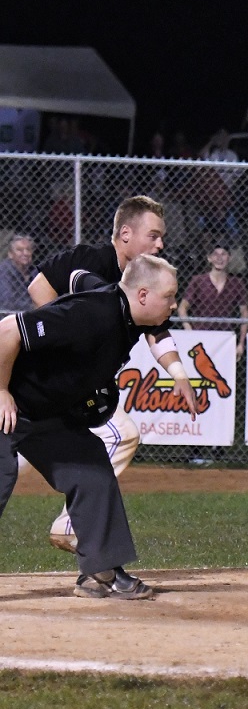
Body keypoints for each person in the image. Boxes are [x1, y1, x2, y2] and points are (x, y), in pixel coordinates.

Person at [0, 255, 181, 600]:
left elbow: (80, 277)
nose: (174, 304)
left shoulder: (129, 319)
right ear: (142, 295)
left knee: (90, 469)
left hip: (44, 412)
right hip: (6, 400)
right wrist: (1, 390)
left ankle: (102, 571)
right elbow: (8, 330)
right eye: (169, 296)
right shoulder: (93, 313)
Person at [28, 194, 194, 552]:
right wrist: (68, 329)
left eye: (161, 237)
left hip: (81, 387)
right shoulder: (88, 261)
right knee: (115, 435)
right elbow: (38, 286)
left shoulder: (148, 282)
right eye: (153, 235)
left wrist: (179, 374)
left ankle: (73, 528)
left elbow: (158, 331)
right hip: (49, 380)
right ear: (125, 234)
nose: (160, 243)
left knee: (113, 435)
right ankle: (72, 527)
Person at [177, 242, 248, 359]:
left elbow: (244, 313)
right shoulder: (198, 281)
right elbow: (182, 308)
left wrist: (241, 343)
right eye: (215, 254)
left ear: (229, 258)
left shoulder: (237, 283)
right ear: (209, 258)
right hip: (200, 335)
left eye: (223, 254)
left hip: (225, 338)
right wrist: (189, 331)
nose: (219, 258)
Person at [0, 234, 36, 313]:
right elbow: (8, 302)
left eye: (28, 249)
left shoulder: (34, 272)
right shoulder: (3, 272)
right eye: (20, 250)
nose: (25, 253)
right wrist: (36, 306)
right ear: (10, 254)